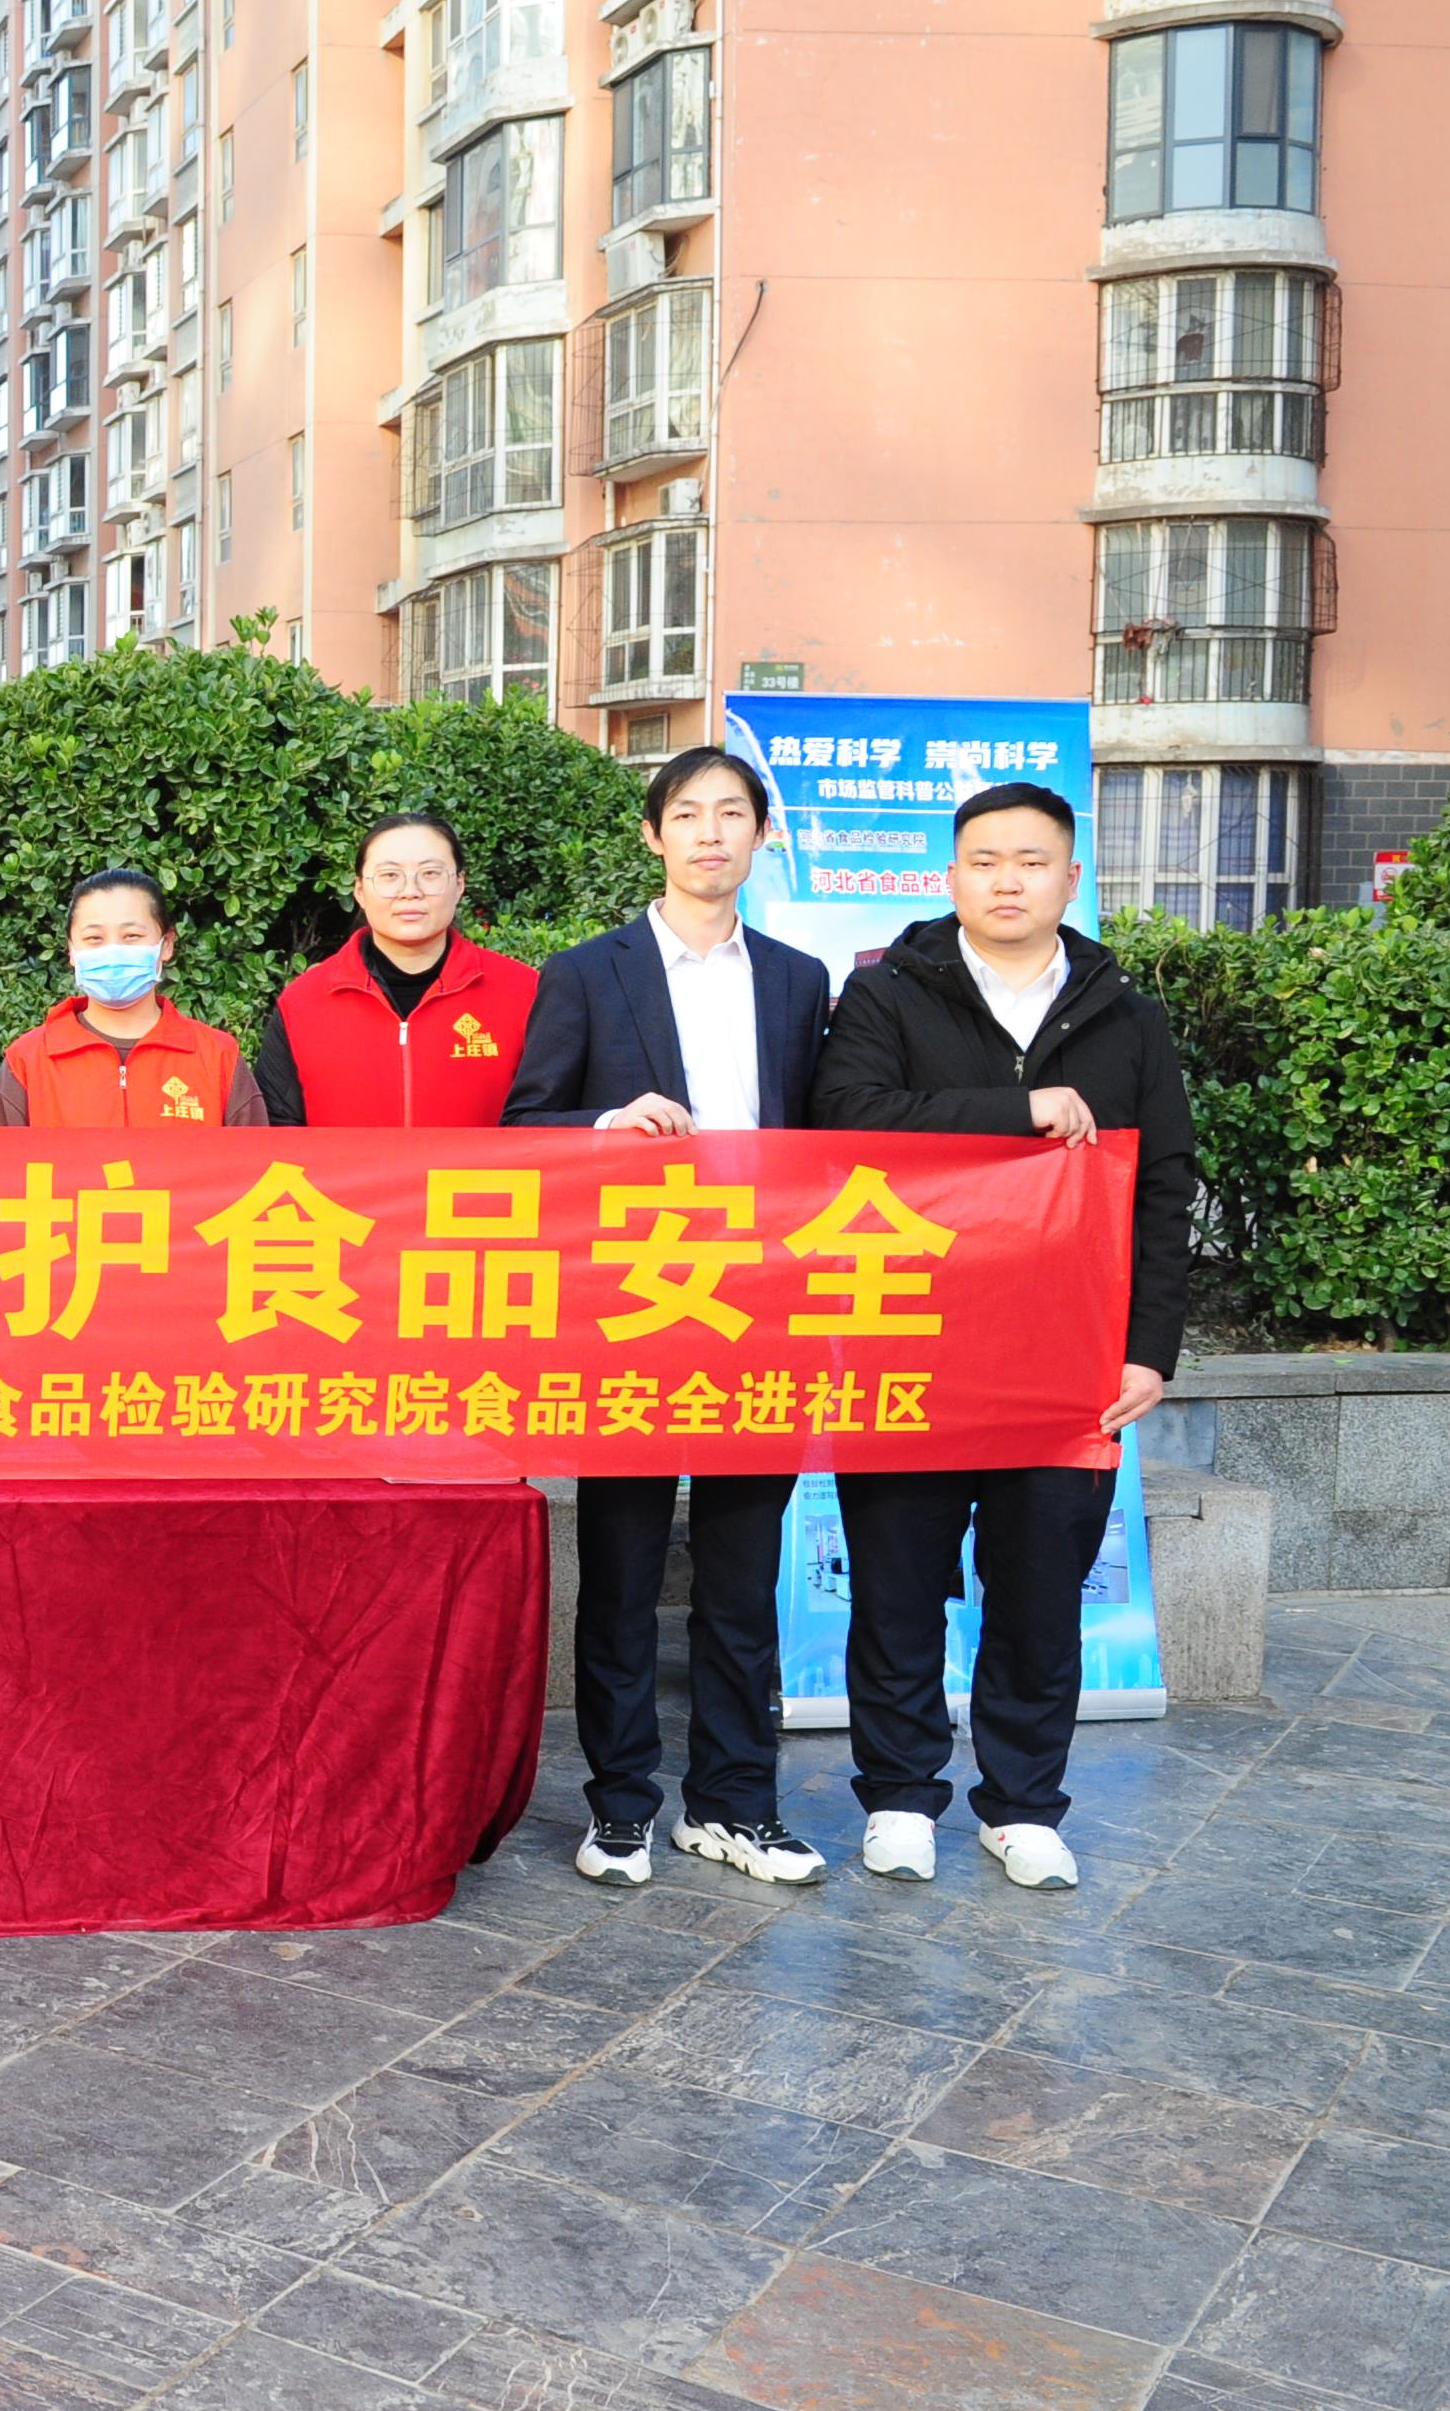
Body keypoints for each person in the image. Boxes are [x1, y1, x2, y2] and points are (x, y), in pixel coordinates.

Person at [812, 781, 1191, 1895]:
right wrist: (1015, 1108)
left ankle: (1022, 1806)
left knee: (1036, 1595)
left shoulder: (1124, 1013)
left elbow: (1162, 1188)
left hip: (1065, 1358)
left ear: (1071, 878)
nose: (1007, 881)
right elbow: (845, 1120)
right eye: (985, 861)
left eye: (1031, 861)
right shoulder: (886, 991)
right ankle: (897, 1798)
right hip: (908, 1341)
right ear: (951, 877)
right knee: (896, 1585)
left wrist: (1148, 1348)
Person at [503, 748, 837, 1891]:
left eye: (729, 814)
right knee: (623, 1568)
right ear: (651, 836)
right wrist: (604, 1122)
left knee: (742, 1577)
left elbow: (830, 1135)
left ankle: (735, 1805)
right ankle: (620, 1806)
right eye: (685, 814)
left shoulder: (796, 980)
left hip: (760, 1307)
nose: (708, 833)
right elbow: (521, 1127)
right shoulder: (584, 974)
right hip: (633, 1308)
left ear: (759, 836)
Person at [252, 811, 540, 1125]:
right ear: (360, 890)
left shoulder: (523, 993)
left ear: (459, 884)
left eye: (430, 873)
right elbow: (277, 1130)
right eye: (389, 875)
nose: (410, 891)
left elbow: (548, 1119)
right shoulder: (304, 1003)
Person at [0, 869, 267, 1126]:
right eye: (94, 938)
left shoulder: (218, 1057)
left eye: (131, 936)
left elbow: (254, 1161)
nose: (113, 951)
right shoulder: (28, 1061)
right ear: (71, 950)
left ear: (166, 944)